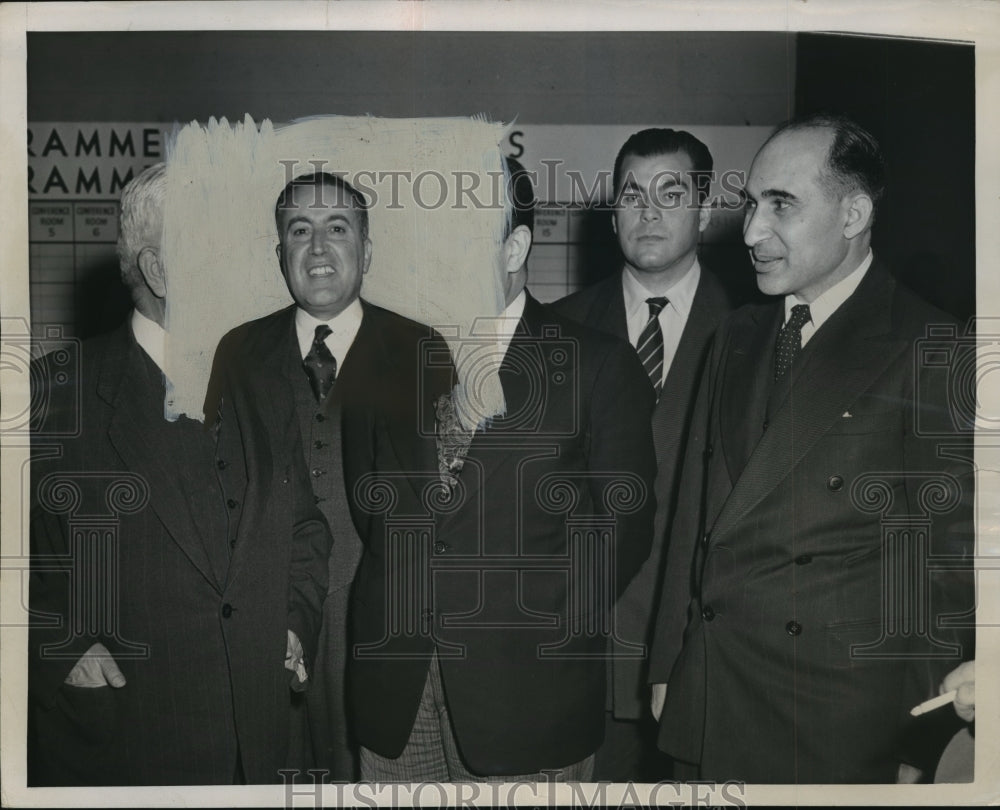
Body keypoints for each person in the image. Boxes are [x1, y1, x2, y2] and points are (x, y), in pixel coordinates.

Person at [648, 113, 974, 783]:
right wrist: (666, 665)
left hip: (836, 717)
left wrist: (921, 735)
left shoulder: (929, 343)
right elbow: (695, 514)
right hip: (714, 686)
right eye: (750, 203)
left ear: (853, 214)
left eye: (782, 205)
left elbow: (943, 566)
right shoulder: (736, 334)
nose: (750, 232)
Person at [347, 158, 658, 781]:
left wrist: (542, 625)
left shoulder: (596, 365)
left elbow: (625, 526)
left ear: (515, 245)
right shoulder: (384, 359)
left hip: (527, 699)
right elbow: (369, 501)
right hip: (396, 691)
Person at [28, 163, 331, 785]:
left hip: (264, 749)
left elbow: (305, 529)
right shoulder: (55, 395)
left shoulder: (270, 381)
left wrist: (296, 622)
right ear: (158, 271)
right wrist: (55, 647)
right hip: (127, 747)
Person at [208, 171, 451, 780]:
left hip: (380, 621)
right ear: (280, 253)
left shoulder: (420, 349)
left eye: (337, 229)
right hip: (273, 615)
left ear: (366, 251)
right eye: (300, 231)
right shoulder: (238, 352)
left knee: (369, 775)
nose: (318, 248)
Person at [553, 128, 735, 780]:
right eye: (632, 193)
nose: (648, 210)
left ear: (706, 210)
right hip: (582, 654)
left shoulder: (757, 326)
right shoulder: (555, 330)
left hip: (705, 655)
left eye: (671, 192)